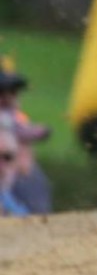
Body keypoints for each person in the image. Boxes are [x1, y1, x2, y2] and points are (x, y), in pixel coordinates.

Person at [0, 62, 53, 215]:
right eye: (2, 93)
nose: (8, 98)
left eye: (12, 93)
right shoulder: (7, 118)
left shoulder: (13, 117)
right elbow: (23, 132)